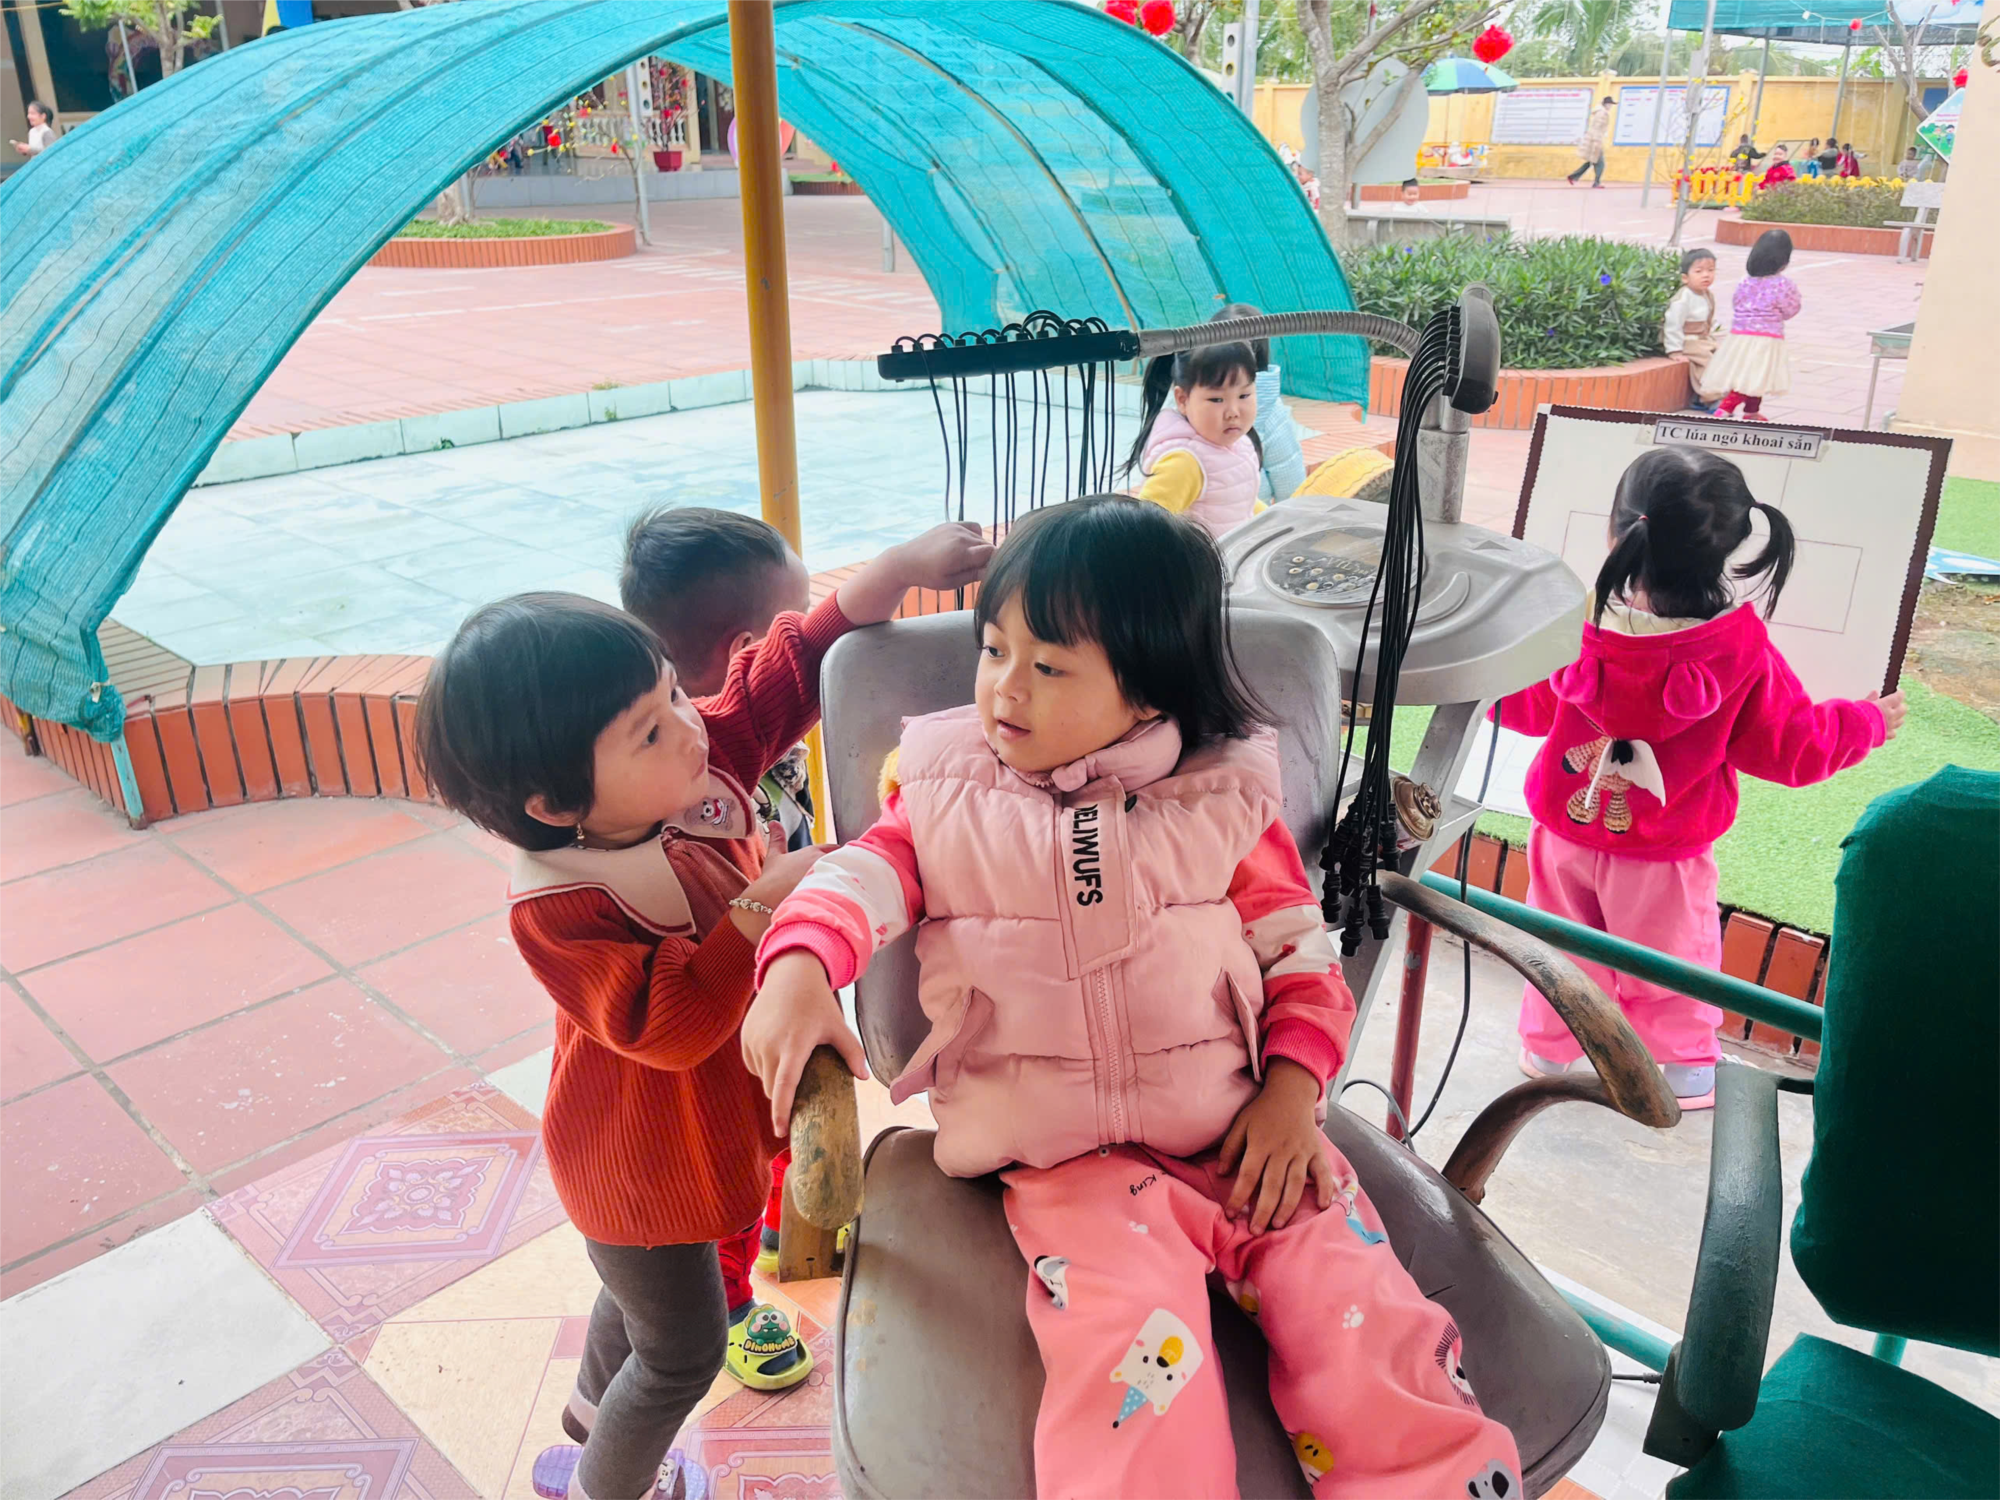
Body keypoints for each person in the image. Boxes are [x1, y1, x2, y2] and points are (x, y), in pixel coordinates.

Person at [744, 497, 1525, 1499]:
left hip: (1248, 1135)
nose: (1003, 687)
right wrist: (798, 966)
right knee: (1135, 1375)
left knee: (1366, 1324)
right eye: (995, 650)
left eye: (1050, 666)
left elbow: (1300, 959)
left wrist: (1293, 1092)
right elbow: (853, 884)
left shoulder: (1224, 801)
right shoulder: (944, 799)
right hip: (1071, 1167)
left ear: (1150, 682)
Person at [415, 523, 991, 1500]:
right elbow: (671, 1022)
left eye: (673, 696)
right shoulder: (559, 910)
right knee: (682, 1353)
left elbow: (790, 667)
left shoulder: (691, 764)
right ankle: (609, 1484)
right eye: (648, 729)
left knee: (637, 1306)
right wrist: (762, 901)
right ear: (553, 803)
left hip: (702, 1142)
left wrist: (898, 572)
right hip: (640, 1172)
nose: (690, 727)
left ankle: (589, 1421)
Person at [1498, 447, 1904, 1110]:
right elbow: (1791, 748)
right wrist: (1868, 722)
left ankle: (1550, 1049)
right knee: (1672, 960)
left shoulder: (1575, 620)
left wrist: (1481, 671)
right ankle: (1681, 1068)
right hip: (1665, 852)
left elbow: (1524, 705)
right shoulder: (1739, 647)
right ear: (1732, 546)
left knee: (1561, 945)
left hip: (1562, 832)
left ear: (1617, 533)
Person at [619, 505, 821, 1292]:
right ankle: (730, 1301)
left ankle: (775, 1227)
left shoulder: (726, 744)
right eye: (795, 623)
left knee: (781, 1117)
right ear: (750, 653)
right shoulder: (700, 775)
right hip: (736, 995)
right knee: (740, 1141)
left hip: (784, 962)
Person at [1125, 332, 1263, 539]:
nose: (1233, 412)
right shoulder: (1185, 462)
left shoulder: (1237, 443)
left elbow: (1239, 503)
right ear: (1182, 400)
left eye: (1244, 395)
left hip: (1234, 552)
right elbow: (1144, 529)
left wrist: (1276, 519)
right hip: (1208, 559)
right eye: (1216, 399)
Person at [1699, 229, 1800, 421]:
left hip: (1739, 335)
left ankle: (1752, 411)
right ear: (1784, 259)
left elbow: (1736, 303)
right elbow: (1791, 309)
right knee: (1753, 375)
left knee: (1752, 373)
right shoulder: (1783, 284)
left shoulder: (1745, 282)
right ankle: (1724, 409)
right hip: (1767, 337)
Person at [1214, 302, 1307, 503]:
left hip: (1249, 520)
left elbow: (1292, 493)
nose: (1232, 412)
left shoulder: (1268, 412)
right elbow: (1292, 493)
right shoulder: (1191, 400)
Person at [1663, 248, 1722, 411]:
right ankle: (1711, 399)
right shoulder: (1683, 299)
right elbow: (1673, 325)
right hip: (1688, 341)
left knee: (1723, 356)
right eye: (1699, 271)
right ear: (1685, 278)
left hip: (1702, 340)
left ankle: (1699, 397)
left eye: (1710, 270)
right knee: (1706, 362)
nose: (1706, 275)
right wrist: (1675, 350)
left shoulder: (1706, 294)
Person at [1567, 95, 1615, 186]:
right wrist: (1597, 143)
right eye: (1610, 104)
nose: (1611, 106)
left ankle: (1573, 176)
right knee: (1600, 163)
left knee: (1592, 161)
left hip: (1594, 140)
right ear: (1606, 104)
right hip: (1596, 141)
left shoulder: (1600, 112)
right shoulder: (1602, 114)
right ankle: (1596, 182)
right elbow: (1597, 129)